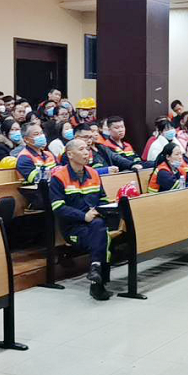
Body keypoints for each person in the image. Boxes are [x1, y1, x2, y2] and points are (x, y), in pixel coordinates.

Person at [49, 139, 113, 301]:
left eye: (87, 149)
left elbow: (103, 199)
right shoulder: (59, 177)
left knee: (99, 227)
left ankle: (95, 270)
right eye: (82, 149)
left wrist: (99, 211)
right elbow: (58, 207)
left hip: (95, 222)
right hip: (73, 228)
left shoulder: (94, 173)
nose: (86, 152)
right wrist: (83, 216)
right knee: (102, 234)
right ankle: (97, 282)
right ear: (70, 154)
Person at [70, 123, 134, 174]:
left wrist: (132, 164)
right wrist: (105, 171)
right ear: (76, 137)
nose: (89, 140)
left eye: (90, 137)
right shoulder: (71, 153)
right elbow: (80, 173)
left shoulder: (101, 147)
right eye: (85, 137)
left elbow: (116, 158)